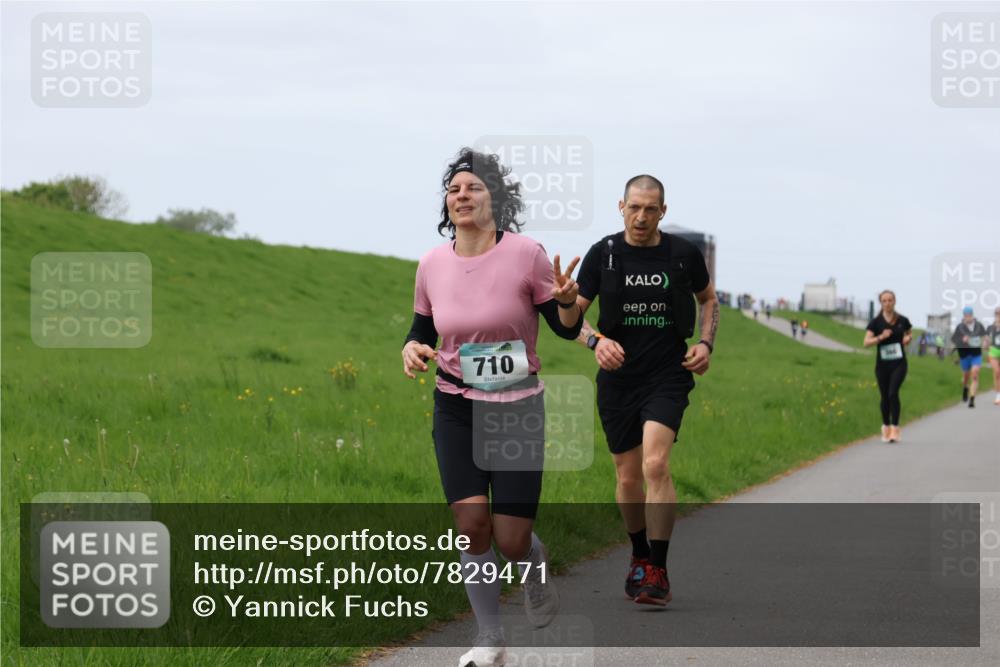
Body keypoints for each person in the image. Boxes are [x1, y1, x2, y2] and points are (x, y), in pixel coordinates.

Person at [402, 148, 584, 667]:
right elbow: (421, 329)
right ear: (447, 202)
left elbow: (564, 328)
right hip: (455, 403)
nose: (463, 195)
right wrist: (411, 348)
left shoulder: (526, 254)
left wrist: (568, 300)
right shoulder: (431, 263)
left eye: (475, 187)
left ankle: (533, 561)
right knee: (470, 524)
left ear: (494, 199)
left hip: (517, 406)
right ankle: (489, 637)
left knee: (510, 539)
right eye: (455, 188)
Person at [573, 174, 718, 606]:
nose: (641, 216)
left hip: (667, 375)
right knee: (627, 475)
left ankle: (657, 567)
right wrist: (596, 342)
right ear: (621, 207)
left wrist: (706, 344)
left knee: (655, 464)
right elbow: (571, 318)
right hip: (618, 380)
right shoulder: (604, 255)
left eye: (650, 209)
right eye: (634, 207)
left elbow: (708, 299)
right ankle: (637, 553)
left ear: (663, 212)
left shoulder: (682, 255)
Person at [863, 290, 912, 442]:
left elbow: (909, 333)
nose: (888, 303)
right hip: (882, 365)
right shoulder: (876, 322)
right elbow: (866, 343)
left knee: (893, 393)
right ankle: (885, 427)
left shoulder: (902, 320)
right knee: (884, 396)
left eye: (890, 300)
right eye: (884, 300)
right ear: (881, 303)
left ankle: (895, 429)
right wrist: (881, 337)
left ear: (894, 301)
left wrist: (907, 338)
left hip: (899, 363)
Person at [951, 306, 987, 408]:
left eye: (969, 315)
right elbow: (954, 340)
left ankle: (972, 399)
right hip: (964, 355)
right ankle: (965, 388)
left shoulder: (979, 326)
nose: (968, 317)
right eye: (966, 315)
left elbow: (985, 337)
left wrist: (985, 342)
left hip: (976, 354)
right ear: (964, 316)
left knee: (975, 374)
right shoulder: (960, 327)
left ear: (972, 315)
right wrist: (962, 339)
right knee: (966, 376)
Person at [987, 307, 1000, 406]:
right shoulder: (990, 327)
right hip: (993, 351)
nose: (998, 315)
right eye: (997, 314)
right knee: (997, 372)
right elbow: (987, 340)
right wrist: (985, 344)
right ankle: (998, 395)